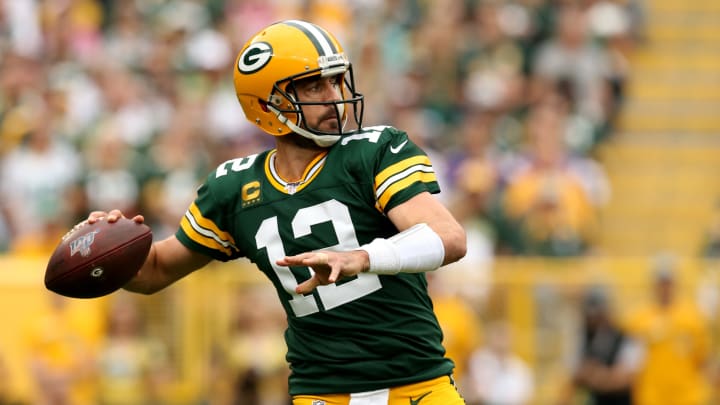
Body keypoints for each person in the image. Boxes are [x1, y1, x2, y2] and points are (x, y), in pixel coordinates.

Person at [83, 20, 467, 404]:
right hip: (322, 394)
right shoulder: (233, 189)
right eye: (315, 85)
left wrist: (362, 257)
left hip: (420, 385)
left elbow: (449, 238)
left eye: (336, 81)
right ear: (267, 103)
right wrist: (106, 249)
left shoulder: (373, 151)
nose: (334, 96)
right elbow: (154, 270)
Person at [624, 253, 713, 405]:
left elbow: (703, 360)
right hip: (651, 397)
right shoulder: (638, 320)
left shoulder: (693, 318)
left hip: (687, 397)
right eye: (661, 282)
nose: (664, 287)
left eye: (668, 282)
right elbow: (631, 363)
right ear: (653, 284)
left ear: (675, 283)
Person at [557, 287, 640, 405]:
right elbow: (573, 373)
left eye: (599, 316)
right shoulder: (584, 335)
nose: (595, 321)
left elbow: (627, 378)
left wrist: (598, 376)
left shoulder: (625, 336)